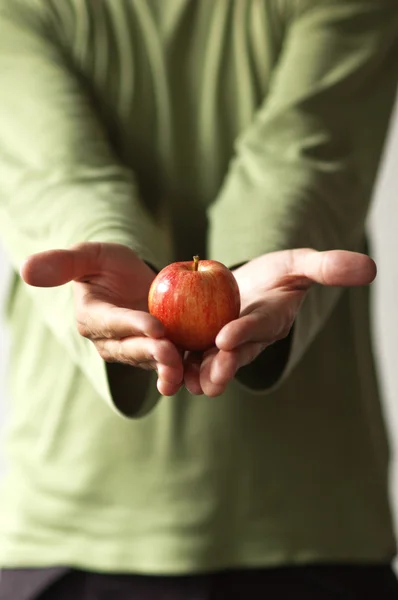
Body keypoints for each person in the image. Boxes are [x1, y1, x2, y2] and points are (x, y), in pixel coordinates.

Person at [0, 0, 398, 598]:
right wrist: (120, 260)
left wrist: (233, 281)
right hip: (83, 515)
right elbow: (58, 176)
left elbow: (300, 162)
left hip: (301, 514)